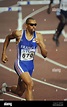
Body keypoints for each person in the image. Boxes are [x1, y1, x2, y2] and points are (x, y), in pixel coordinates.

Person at [1, 17, 47, 101]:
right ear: (26, 25)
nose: (34, 27)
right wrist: (3, 53)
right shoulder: (19, 34)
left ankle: (6, 88)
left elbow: (45, 55)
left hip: (30, 66)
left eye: (35, 25)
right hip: (20, 63)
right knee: (30, 84)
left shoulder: (39, 36)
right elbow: (8, 38)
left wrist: (40, 45)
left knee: (20, 92)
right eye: (32, 25)